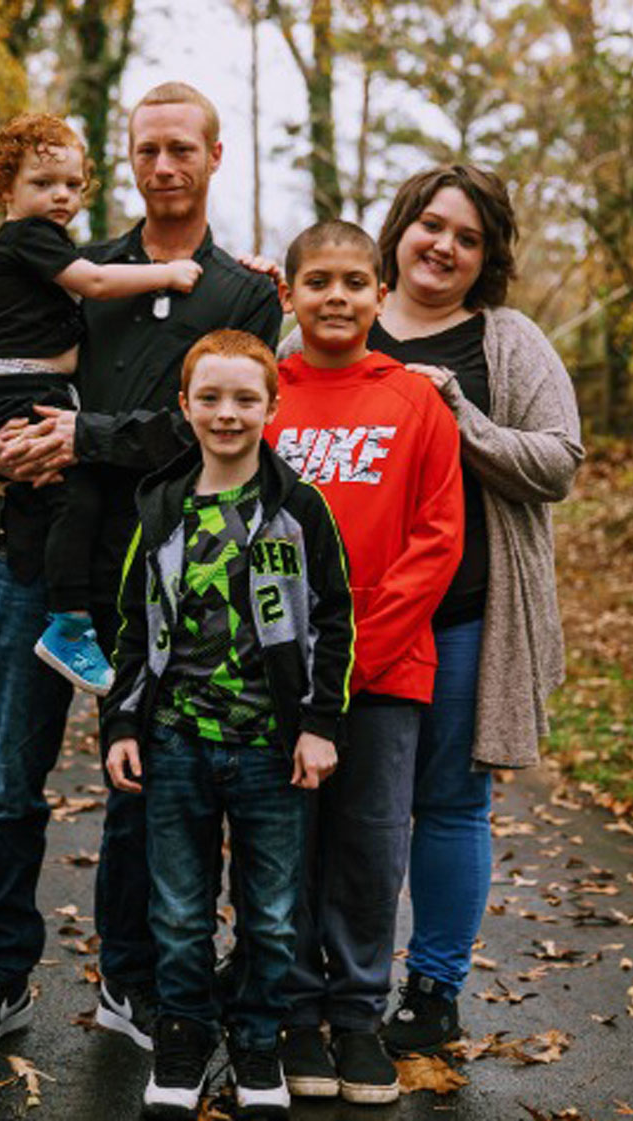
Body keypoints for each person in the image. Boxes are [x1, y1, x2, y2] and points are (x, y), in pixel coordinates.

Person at [0, 82, 281, 1057]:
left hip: (166, 580)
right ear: (128, 161)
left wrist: (87, 435)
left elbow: (212, 429)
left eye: (183, 149)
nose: (164, 166)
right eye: (147, 150)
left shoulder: (243, 293)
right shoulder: (66, 257)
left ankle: (133, 978)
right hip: (39, 563)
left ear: (215, 157)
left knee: (146, 790)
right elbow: (1, 379)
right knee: (11, 780)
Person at [360, 166, 584, 1056]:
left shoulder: (506, 340)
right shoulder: (345, 313)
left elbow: (560, 461)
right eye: (431, 224)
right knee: (343, 805)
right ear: (401, 227)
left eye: (467, 236)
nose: (444, 245)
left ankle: (433, 990)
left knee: (451, 805)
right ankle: (332, 978)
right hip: (346, 621)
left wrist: (461, 415)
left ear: (485, 258)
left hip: (464, 616)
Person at [103, 330, 352, 1120]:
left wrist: (320, 723)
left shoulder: (299, 511)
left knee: (272, 914)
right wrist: (121, 724)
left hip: (270, 751)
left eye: (246, 397)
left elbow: (335, 619)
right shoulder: (160, 508)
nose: (227, 412)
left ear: (273, 406)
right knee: (178, 910)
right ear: (185, 406)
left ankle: (255, 1040)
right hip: (175, 743)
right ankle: (184, 1036)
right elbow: (133, 629)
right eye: (209, 396)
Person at [264, 220, 464, 1105]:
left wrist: (351, 660)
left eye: (354, 281)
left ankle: (355, 1016)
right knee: (287, 847)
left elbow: (436, 539)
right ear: (289, 295)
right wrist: (284, 657)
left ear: (382, 294)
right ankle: (296, 1014)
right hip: (274, 674)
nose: (336, 296)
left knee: (370, 847)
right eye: (319, 281)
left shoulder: (414, 401)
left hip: (384, 674)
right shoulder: (262, 394)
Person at [0, 112, 203, 696]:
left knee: (66, 495)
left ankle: (67, 619)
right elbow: (98, 284)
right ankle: (68, 624)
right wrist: (165, 275)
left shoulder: (45, 247)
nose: (61, 197)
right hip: (23, 389)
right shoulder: (31, 239)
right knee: (70, 495)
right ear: (6, 188)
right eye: (44, 183)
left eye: (73, 186)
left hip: (38, 389)